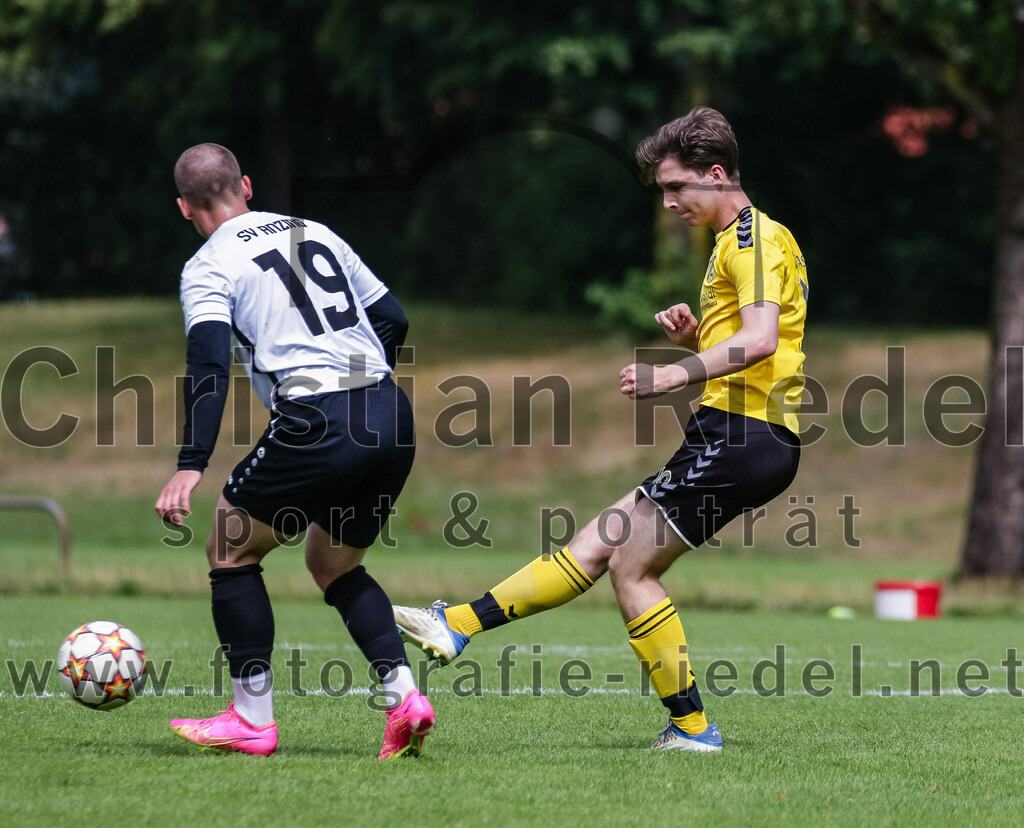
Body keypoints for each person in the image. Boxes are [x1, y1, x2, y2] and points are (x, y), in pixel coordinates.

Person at [393, 107, 808, 752]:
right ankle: (460, 624)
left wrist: (673, 374)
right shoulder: (739, 243)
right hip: (735, 432)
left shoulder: (753, 240)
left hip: (743, 436)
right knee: (601, 541)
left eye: (676, 187)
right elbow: (754, 346)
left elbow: (759, 342)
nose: (668, 202)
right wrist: (697, 341)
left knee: (632, 567)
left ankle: (694, 729)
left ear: (717, 175)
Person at [155, 143, 434, 759]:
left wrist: (190, 464)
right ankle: (405, 697)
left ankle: (251, 719)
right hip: (389, 411)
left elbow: (207, 364)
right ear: (246, 186)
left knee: (228, 545)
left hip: (320, 418)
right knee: (333, 565)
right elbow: (394, 315)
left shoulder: (208, 265)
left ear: (184, 208)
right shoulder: (317, 232)